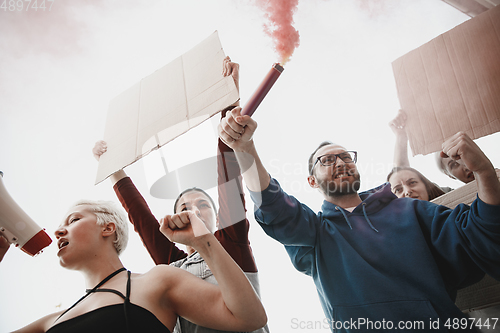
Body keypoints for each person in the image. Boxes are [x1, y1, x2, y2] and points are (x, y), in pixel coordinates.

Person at [218, 107, 500, 332]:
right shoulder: (314, 235)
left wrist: (485, 172)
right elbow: (276, 207)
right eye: (326, 161)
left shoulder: (411, 211)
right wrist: (245, 148)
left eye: (345, 157)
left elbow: (480, 234)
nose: (340, 162)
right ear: (311, 181)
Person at [93, 56, 269, 333]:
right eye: (184, 206)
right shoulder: (171, 266)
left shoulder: (232, 243)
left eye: (202, 205)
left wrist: (229, 104)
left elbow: (229, 179)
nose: (193, 210)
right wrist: (113, 169)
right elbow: (142, 220)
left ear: (216, 216)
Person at [11, 199, 267, 332]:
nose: (58, 231)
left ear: (108, 228)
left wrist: (202, 242)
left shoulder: (157, 282)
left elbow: (249, 317)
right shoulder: (51, 321)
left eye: (74, 219)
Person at [389, 109, 475, 185]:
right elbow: (401, 176)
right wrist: (401, 137)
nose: (466, 166)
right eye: (453, 165)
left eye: (463, 156)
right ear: (449, 175)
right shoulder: (453, 199)